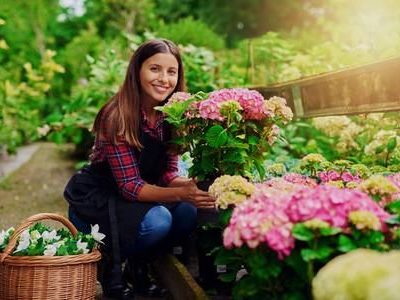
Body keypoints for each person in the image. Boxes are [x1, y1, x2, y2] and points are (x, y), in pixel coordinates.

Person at [64, 39, 215, 300]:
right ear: (137, 70)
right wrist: (181, 194)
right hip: (100, 201)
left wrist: (195, 187)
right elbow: (129, 186)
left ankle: (139, 263)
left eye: (172, 71)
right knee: (159, 221)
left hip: (139, 198)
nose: (164, 79)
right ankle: (111, 261)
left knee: (189, 212)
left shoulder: (172, 115)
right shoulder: (118, 116)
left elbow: (168, 174)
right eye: (154, 69)